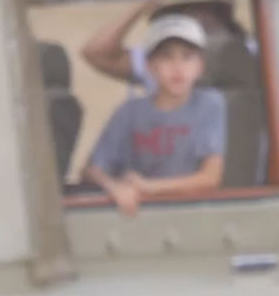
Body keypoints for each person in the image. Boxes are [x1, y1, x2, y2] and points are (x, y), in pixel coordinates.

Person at [83, 14, 227, 217]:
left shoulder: (209, 105)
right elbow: (92, 170)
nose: (178, 68)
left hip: (194, 214)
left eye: (187, 57)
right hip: (141, 216)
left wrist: (149, 187)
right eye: (167, 57)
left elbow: (210, 178)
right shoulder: (129, 112)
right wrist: (115, 187)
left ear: (200, 67)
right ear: (150, 67)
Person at [82, 0, 257, 95]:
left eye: (195, 11)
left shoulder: (253, 52)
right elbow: (97, 53)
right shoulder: (162, 60)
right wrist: (142, 4)